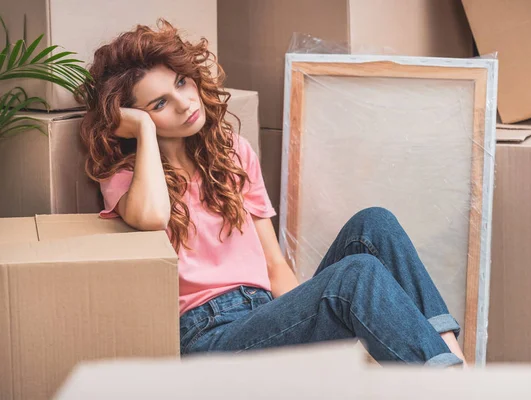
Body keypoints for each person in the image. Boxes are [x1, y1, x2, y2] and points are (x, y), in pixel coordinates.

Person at [79, 20, 466, 367]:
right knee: (356, 275)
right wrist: (146, 132)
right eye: (159, 104)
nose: (184, 103)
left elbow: (274, 265)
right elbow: (151, 217)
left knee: (374, 224)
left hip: (265, 316)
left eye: (181, 82)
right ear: (129, 120)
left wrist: (309, 326)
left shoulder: (231, 152)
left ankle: (456, 371)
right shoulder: (127, 176)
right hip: (208, 338)